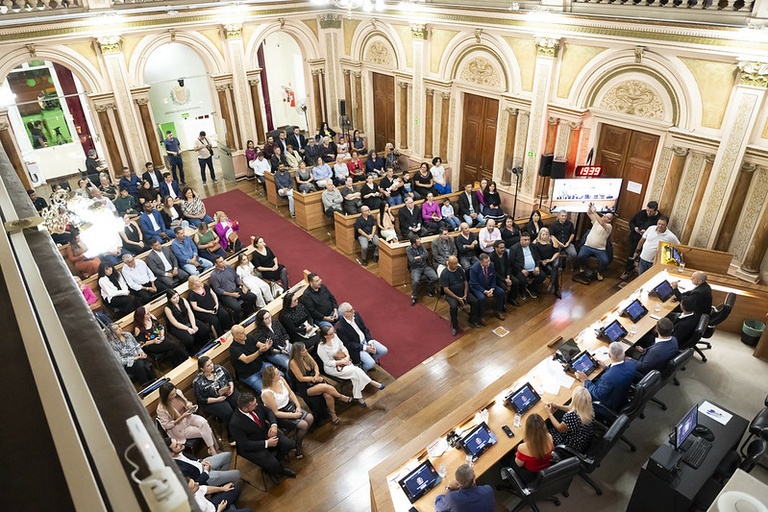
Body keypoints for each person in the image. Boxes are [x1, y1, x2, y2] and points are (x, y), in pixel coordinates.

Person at [228, 392, 296, 484]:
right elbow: (245, 444)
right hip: (253, 446)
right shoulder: (235, 423)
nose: (257, 404)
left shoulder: (255, 403)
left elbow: (268, 411)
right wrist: (267, 443)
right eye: (254, 405)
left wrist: (273, 425)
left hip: (266, 433)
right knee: (273, 463)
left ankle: (270, 465)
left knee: (289, 444)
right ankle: (277, 469)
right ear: (245, 408)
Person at [317, 324, 384, 406]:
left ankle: (359, 397)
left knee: (355, 374)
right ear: (325, 336)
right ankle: (371, 382)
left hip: (345, 360)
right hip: (334, 367)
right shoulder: (321, 348)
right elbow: (328, 363)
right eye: (330, 334)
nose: (333, 334)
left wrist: (347, 357)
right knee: (355, 370)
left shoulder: (335, 337)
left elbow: (343, 348)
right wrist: (342, 362)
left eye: (333, 332)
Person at [289, 342, 352, 425]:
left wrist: (317, 374)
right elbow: (301, 378)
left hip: (315, 379)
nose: (306, 351)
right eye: (303, 350)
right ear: (298, 352)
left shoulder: (306, 355)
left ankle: (333, 414)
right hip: (306, 386)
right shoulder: (293, 363)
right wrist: (314, 379)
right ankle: (341, 397)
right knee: (325, 387)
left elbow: (315, 365)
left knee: (328, 395)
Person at [261, 366, 314, 460]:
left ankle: (296, 438)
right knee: (304, 425)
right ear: (271, 378)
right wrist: (293, 415)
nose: (279, 374)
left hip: (290, 405)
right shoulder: (267, 393)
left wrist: (297, 405)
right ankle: (298, 445)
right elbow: (276, 413)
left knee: (310, 418)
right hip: (281, 414)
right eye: (277, 374)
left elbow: (291, 393)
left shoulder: (281, 380)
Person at [576, 341, 638, 415]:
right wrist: (605, 368)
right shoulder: (631, 365)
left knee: (579, 393)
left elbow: (598, 394)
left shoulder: (607, 377)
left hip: (609, 404)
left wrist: (585, 380)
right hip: (622, 396)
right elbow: (618, 373)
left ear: (609, 355)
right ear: (623, 353)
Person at [157, 381, 218, 456]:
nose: (175, 395)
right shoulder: (161, 409)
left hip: (188, 417)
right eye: (172, 395)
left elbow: (186, 402)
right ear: (165, 396)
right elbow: (167, 425)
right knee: (206, 430)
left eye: (175, 392)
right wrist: (182, 417)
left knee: (204, 423)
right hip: (179, 428)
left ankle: (212, 449)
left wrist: (189, 406)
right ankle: (214, 450)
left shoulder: (178, 393)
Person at [166, 436, 240, 487]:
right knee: (237, 474)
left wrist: (200, 461)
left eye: (177, 441)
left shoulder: (179, 450)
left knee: (227, 455)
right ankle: (222, 484)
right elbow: (196, 483)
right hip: (204, 477)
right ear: (171, 453)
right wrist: (206, 472)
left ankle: (222, 482)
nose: (180, 443)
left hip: (201, 464)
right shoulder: (178, 468)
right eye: (176, 445)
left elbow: (190, 458)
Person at [193, 356, 239, 436]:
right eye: (208, 365)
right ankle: (232, 434)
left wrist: (231, 388)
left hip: (227, 392)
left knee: (240, 402)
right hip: (212, 401)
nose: (212, 366)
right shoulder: (198, 382)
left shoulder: (219, 368)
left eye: (211, 363)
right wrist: (218, 400)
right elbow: (201, 399)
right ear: (202, 369)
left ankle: (244, 425)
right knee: (228, 412)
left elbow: (229, 378)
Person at [336, 302, 389, 371]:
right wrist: (365, 348)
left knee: (384, 350)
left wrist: (370, 341)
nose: (353, 311)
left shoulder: (356, 315)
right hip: (358, 348)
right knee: (371, 363)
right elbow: (349, 344)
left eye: (352, 309)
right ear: (344, 313)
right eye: (351, 310)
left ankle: (368, 360)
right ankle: (364, 370)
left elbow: (364, 328)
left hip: (366, 341)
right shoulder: (340, 328)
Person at [544, 386, 595, 453]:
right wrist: (557, 406)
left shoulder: (572, 417)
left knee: (545, 432)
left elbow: (560, 428)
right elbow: (571, 408)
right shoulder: (587, 409)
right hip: (584, 439)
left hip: (572, 445)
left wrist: (549, 414)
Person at [210, 256, 258, 323]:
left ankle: (248, 314)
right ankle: (237, 321)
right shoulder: (214, 275)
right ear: (216, 264)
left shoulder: (229, 268)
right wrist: (231, 294)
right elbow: (218, 290)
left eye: (223, 260)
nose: (223, 262)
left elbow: (236, 278)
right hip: (225, 294)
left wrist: (243, 285)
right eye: (220, 262)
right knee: (236, 307)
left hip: (234, 289)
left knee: (252, 296)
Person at [621, 201, 661, 280]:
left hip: (648, 242)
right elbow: (632, 222)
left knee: (644, 258)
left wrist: (646, 231)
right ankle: (628, 270)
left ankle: (641, 275)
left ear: (655, 210)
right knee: (631, 255)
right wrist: (635, 228)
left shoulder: (659, 219)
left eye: (650, 211)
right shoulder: (642, 213)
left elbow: (658, 231)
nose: (648, 213)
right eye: (647, 210)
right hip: (635, 238)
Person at [229, 324, 276, 393]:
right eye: (242, 333)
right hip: (249, 375)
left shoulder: (248, 337)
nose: (245, 334)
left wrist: (266, 346)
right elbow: (246, 360)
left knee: (280, 375)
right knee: (265, 391)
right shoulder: (233, 349)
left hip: (261, 366)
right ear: (236, 336)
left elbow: (259, 344)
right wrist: (259, 351)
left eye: (244, 331)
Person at [441, 255, 480, 335]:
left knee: (475, 301)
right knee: (453, 307)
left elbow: (465, 282)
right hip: (452, 295)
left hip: (463, 292)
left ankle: (472, 320)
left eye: (457, 263)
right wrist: (458, 298)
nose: (456, 265)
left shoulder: (459, 269)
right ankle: (455, 326)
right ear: (449, 264)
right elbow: (446, 289)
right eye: (454, 264)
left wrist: (465, 294)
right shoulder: (444, 273)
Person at [577, 203, 613, 281]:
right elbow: (589, 213)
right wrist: (590, 208)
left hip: (600, 249)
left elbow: (602, 223)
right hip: (588, 246)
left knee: (605, 261)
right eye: (604, 215)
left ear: (609, 220)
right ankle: (582, 266)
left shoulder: (609, 227)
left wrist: (595, 212)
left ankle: (599, 272)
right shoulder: (596, 221)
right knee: (580, 256)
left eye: (606, 216)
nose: (603, 216)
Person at [513, 413, 553, 483]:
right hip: (545, 469)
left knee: (507, 459)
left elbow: (519, 464)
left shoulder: (523, 447)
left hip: (530, 475)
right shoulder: (549, 437)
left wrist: (517, 453)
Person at [469, 253, 506, 321]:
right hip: (477, 287)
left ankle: (498, 310)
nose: (488, 263)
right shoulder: (474, 269)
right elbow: (474, 283)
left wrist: (492, 288)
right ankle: (481, 316)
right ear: (481, 261)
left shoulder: (491, 265)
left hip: (488, 285)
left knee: (501, 292)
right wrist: (485, 291)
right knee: (481, 298)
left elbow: (493, 277)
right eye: (486, 262)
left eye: (489, 261)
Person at [407, 235, 439, 306]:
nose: (420, 242)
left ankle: (429, 288)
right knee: (415, 281)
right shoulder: (409, 249)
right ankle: (414, 296)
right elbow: (412, 261)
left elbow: (426, 255)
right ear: (414, 243)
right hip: (415, 268)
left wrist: (418, 257)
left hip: (425, 266)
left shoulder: (421, 246)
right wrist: (421, 257)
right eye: (418, 241)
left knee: (435, 277)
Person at [532, 228, 562, 298]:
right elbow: (534, 254)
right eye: (543, 234)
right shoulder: (536, 242)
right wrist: (541, 261)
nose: (545, 236)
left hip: (551, 259)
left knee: (555, 265)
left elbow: (557, 252)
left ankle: (551, 284)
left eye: (546, 234)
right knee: (554, 271)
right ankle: (556, 288)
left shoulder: (551, 240)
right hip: (542, 262)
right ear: (540, 235)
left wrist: (551, 260)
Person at [491, 240, 521, 307]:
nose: (503, 249)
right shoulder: (492, 257)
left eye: (504, 247)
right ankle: (502, 303)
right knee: (503, 287)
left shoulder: (505, 254)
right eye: (501, 248)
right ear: (496, 248)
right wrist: (504, 280)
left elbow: (509, 266)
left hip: (506, 275)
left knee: (516, 282)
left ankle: (512, 298)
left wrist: (508, 276)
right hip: (498, 277)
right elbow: (494, 272)